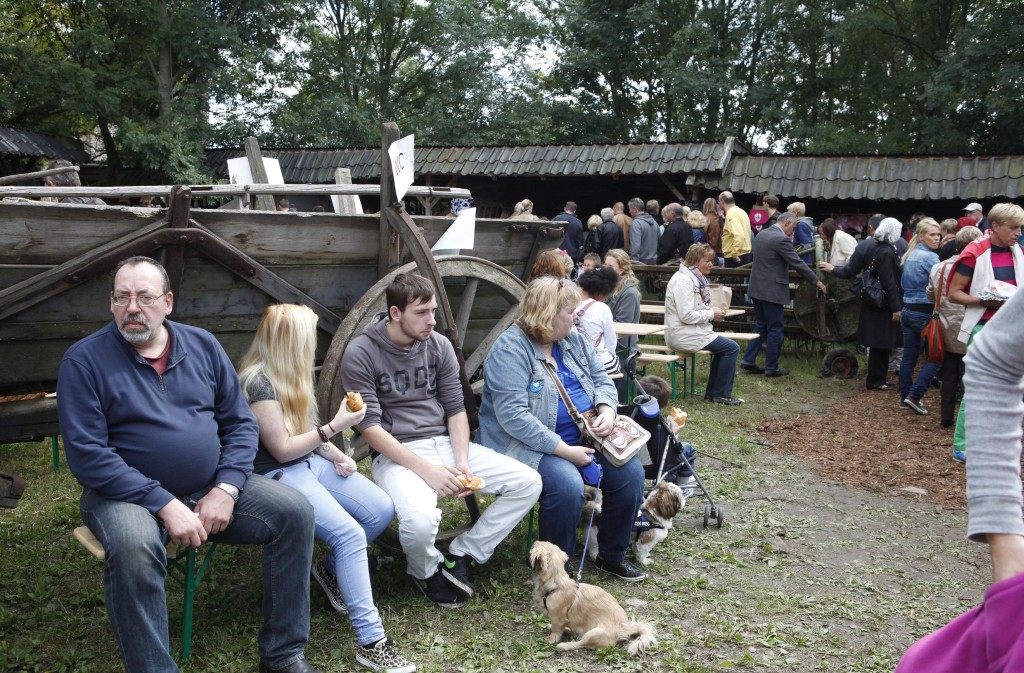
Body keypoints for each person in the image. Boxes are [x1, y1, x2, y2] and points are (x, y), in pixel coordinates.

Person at [56, 256, 320, 673]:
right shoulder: (84, 361)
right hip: (123, 496)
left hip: (207, 485)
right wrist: (163, 503)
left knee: (295, 512)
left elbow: (240, 425)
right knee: (134, 547)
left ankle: (283, 654)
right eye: (122, 297)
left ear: (168, 302)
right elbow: (88, 455)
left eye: (145, 297)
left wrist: (226, 488)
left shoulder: (202, 345)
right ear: (111, 303)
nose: (133, 308)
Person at [340, 273, 542, 608]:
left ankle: (465, 552)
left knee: (528, 482)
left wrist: (461, 461)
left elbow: (456, 409)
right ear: (395, 313)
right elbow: (370, 428)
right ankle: (424, 569)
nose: (431, 320)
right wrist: (428, 471)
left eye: (433, 310)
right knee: (419, 523)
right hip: (397, 454)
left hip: (445, 444)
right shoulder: (361, 353)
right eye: (421, 313)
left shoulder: (439, 345)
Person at [237, 304, 415, 673]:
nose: (314, 344)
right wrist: (336, 426)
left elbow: (305, 427)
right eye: (309, 337)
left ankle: (332, 571)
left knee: (380, 509)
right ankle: (373, 643)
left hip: (309, 462)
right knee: (350, 535)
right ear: (292, 342)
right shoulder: (257, 383)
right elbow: (282, 449)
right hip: (279, 474)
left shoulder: (291, 370)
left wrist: (336, 455)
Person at [477, 276, 648, 581]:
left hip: (586, 437)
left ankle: (611, 554)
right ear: (547, 315)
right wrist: (565, 451)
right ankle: (556, 571)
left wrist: (607, 410)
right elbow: (514, 417)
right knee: (567, 486)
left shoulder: (573, 339)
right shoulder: (510, 350)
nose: (576, 316)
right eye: (570, 311)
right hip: (528, 446)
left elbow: (602, 379)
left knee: (630, 475)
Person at [893, 288, 1024, 673]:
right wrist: (1005, 541)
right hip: (947, 324)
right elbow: (993, 355)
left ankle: (914, 396)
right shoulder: (967, 262)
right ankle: (915, 398)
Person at [946, 203, 1024, 462]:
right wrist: (983, 300)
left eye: (1020, 228)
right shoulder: (974, 253)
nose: (1018, 233)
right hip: (983, 328)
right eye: (1014, 228)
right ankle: (962, 446)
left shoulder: (1019, 251)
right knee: (979, 390)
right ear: (996, 226)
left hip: (1013, 329)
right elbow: (953, 293)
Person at [739, 212, 827, 377]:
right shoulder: (781, 239)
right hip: (771, 290)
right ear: (787, 222)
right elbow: (797, 262)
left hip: (756, 288)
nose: (793, 231)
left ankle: (748, 360)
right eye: (793, 227)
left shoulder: (762, 234)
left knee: (761, 326)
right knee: (775, 329)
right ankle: (771, 368)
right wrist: (817, 281)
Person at [824, 219, 904, 390]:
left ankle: (877, 379)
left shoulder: (871, 246)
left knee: (878, 343)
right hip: (882, 303)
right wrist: (896, 308)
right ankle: (876, 380)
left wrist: (833, 269)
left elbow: (851, 269)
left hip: (872, 298)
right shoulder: (887, 252)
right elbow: (889, 282)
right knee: (881, 343)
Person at [664, 243, 742, 405]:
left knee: (725, 349)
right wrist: (711, 314)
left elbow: (694, 308)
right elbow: (686, 315)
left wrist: (711, 311)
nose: (711, 264)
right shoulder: (683, 281)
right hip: (683, 334)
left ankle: (714, 394)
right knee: (732, 348)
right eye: (707, 261)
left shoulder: (694, 278)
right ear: (695, 261)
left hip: (691, 332)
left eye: (712, 261)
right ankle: (721, 395)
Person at [927, 226, 982, 427]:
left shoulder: (939, 267)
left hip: (946, 327)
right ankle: (967, 420)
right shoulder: (979, 270)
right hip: (971, 326)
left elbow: (930, 295)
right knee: (970, 375)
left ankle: (946, 417)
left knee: (949, 374)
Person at [897, 218, 942, 415]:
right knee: (936, 356)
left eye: (938, 234)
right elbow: (939, 286)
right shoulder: (931, 258)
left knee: (909, 356)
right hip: (924, 310)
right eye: (932, 234)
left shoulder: (910, 255)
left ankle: (905, 395)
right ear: (921, 236)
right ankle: (915, 395)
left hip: (907, 309)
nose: (937, 238)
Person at [604, 249, 642, 399]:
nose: (606, 269)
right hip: (608, 344)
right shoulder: (608, 287)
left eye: (610, 266)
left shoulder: (629, 293)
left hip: (622, 349)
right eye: (605, 265)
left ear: (622, 269)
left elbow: (622, 325)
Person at [575, 267, 621, 376]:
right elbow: (611, 344)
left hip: (574, 362)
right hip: (599, 363)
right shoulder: (602, 308)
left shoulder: (570, 303)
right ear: (601, 293)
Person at [719, 191, 752, 268]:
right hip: (744, 253)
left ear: (722, 201)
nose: (718, 203)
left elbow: (739, 235)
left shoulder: (731, 214)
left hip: (736, 257)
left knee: (733, 276)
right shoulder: (741, 211)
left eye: (718, 201)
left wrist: (734, 254)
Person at [627, 197, 660, 265]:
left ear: (634, 209)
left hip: (641, 263)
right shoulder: (655, 223)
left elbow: (635, 246)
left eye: (630, 209)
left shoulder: (636, 223)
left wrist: (633, 262)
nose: (629, 212)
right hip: (654, 262)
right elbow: (659, 243)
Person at [702, 197, 724, 265]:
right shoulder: (720, 219)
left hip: (709, 251)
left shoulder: (705, 219)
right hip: (720, 251)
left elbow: (703, 235)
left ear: (705, 205)